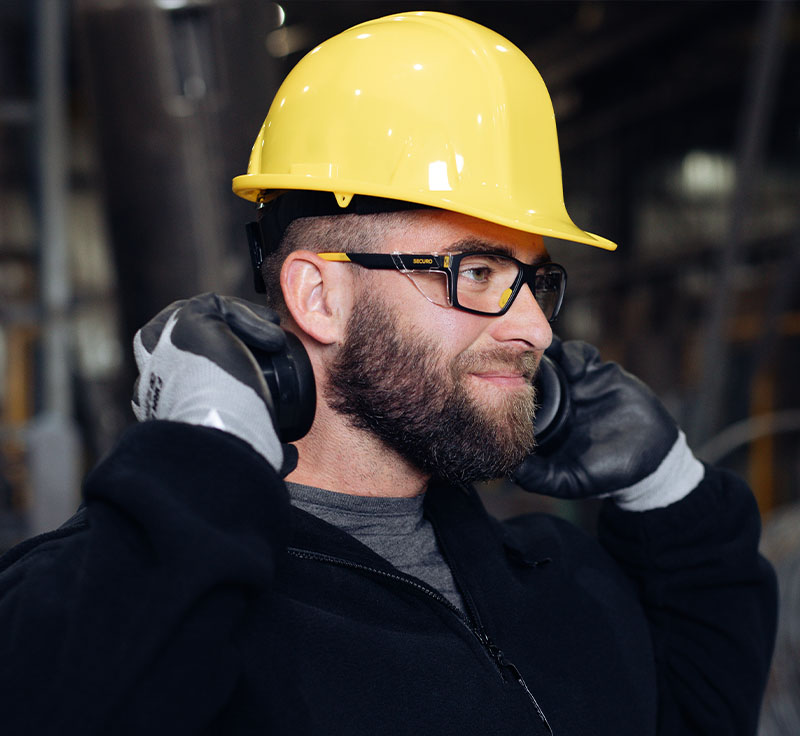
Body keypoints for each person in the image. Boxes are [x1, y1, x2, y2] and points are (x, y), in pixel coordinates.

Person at [0, 11, 776, 735]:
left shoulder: (562, 579)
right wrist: (204, 451)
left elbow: (707, 711)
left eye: (535, 280)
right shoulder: (147, 604)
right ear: (319, 295)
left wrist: (670, 486)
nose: (538, 327)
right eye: (476, 270)